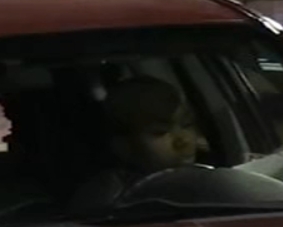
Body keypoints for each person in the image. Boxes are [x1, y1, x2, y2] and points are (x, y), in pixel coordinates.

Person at [67, 75, 206, 212]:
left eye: (187, 124)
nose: (183, 140)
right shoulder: (108, 196)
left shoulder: (207, 179)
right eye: (160, 132)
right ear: (123, 146)